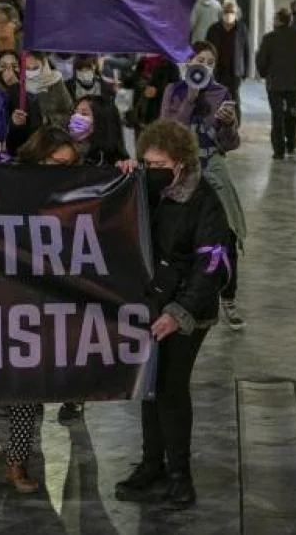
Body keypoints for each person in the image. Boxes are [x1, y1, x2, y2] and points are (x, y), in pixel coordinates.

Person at [114, 118, 232, 509]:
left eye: (158, 164)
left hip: (188, 311)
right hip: (152, 303)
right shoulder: (148, 190)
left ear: (181, 163)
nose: (151, 171)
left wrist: (178, 313)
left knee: (169, 388)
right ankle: (152, 464)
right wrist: (126, 178)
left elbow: (211, 266)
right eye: (145, 162)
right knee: (149, 385)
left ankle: (179, 473)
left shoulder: (204, 201)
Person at [0, 126, 84, 493]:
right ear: (37, 156)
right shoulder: (5, 176)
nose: (60, 170)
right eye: (54, 162)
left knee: (29, 379)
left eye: (68, 165)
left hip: (38, 295)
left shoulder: (72, 189)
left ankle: (18, 458)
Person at [160, 41, 245, 331]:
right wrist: (191, 98)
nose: (204, 66)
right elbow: (169, 134)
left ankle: (229, 296)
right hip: (184, 169)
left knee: (228, 232)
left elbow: (230, 144)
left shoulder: (222, 93)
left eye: (209, 62)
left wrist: (228, 125)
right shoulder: (174, 92)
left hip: (213, 166)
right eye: (199, 60)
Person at [256, 8, 296, 159]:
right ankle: (291, 144)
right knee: (291, 114)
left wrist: (264, 74)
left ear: (278, 21)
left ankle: (278, 149)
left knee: (277, 115)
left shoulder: (269, 38)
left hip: (274, 83)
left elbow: (261, 60)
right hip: (294, 83)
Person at [205, 2, 250, 121]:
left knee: (234, 97)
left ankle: (235, 122)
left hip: (235, 70)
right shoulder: (214, 29)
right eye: (226, 12)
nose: (229, 15)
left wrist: (246, 70)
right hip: (218, 69)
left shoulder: (241, 29)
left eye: (232, 12)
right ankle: (218, 121)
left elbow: (246, 50)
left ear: (236, 14)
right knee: (218, 96)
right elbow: (207, 49)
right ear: (222, 14)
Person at [125, 54, 181, 140]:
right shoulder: (141, 63)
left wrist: (158, 91)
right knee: (141, 147)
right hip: (139, 116)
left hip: (159, 117)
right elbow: (133, 83)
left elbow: (176, 92)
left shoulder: (170, 66)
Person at [70, 95, 128, 165]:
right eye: (75, 112)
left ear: (101, 121)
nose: (75, 117)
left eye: (84, 114)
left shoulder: (114, 164)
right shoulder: (63, 148)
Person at [24, 51, 74, 129]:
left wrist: (50, 119)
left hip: (52, 134)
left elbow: (69, 113)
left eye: (35, 68)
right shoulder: (20, 86)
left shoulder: (55, 81)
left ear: (43, 65)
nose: (31, 71)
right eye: (27, 68)